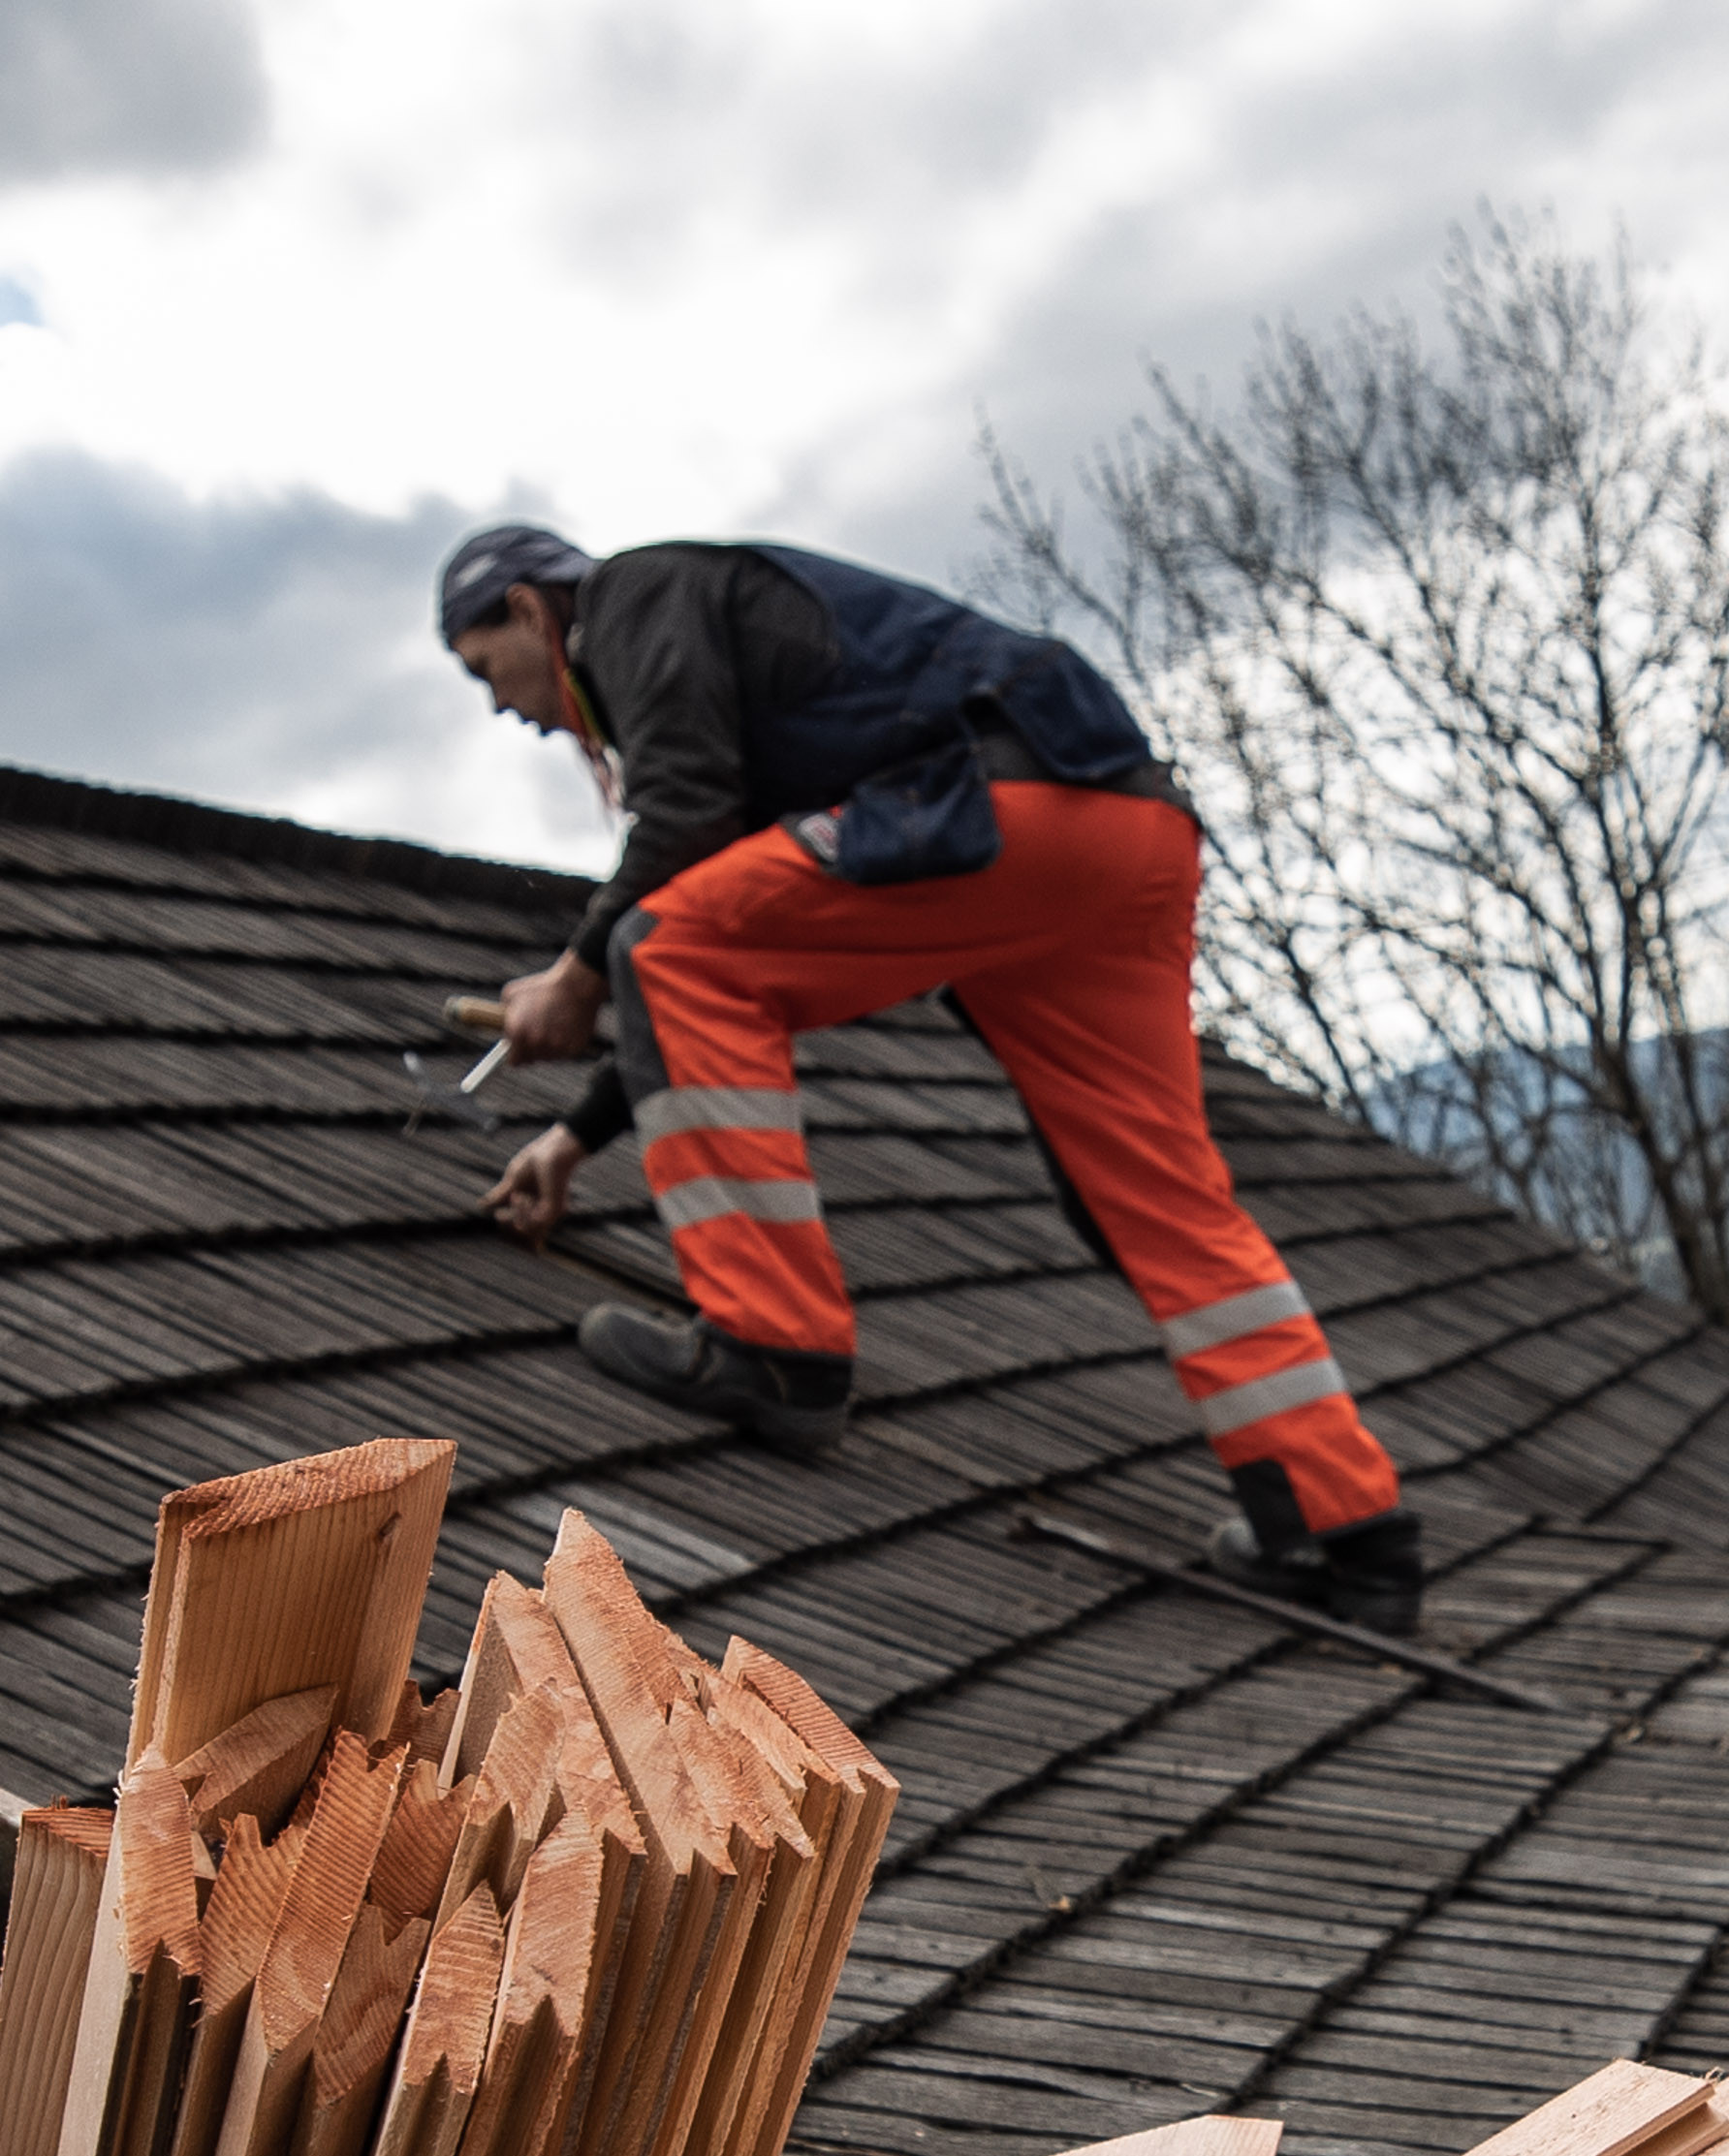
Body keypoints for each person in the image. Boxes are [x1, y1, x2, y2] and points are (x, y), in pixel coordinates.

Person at [435, 522, 1426, 1635]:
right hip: (1122, 833)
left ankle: (772, 1350)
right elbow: (727, 949)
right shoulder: (716, 653)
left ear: (529, 610)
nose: (501, 708)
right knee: (1154, 1192)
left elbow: (685, 830)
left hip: (994, 811)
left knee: (665, 944)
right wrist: (574, 1138)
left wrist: (573, 973)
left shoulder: (631, 598)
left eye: (484, 670)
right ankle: (1349, 1531)